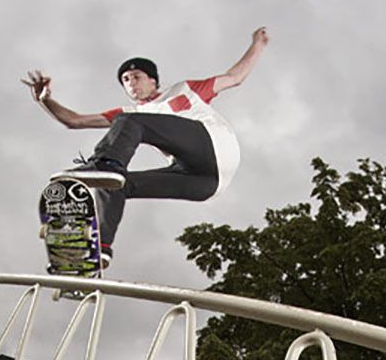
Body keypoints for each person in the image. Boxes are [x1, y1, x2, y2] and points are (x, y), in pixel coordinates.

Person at [22, 28, 269, 267]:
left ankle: (106, 163)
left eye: (137, 77)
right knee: (115, 185)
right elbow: (74, 121)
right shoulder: (131, 114)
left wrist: (258, 44)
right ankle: (98, 249)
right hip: (206, 183)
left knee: (126, 126)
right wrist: (45, 100)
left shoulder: (185, 90)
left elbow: (235, 77)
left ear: (153, 80)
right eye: (126, 81)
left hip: (213, 145)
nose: (131, 84)